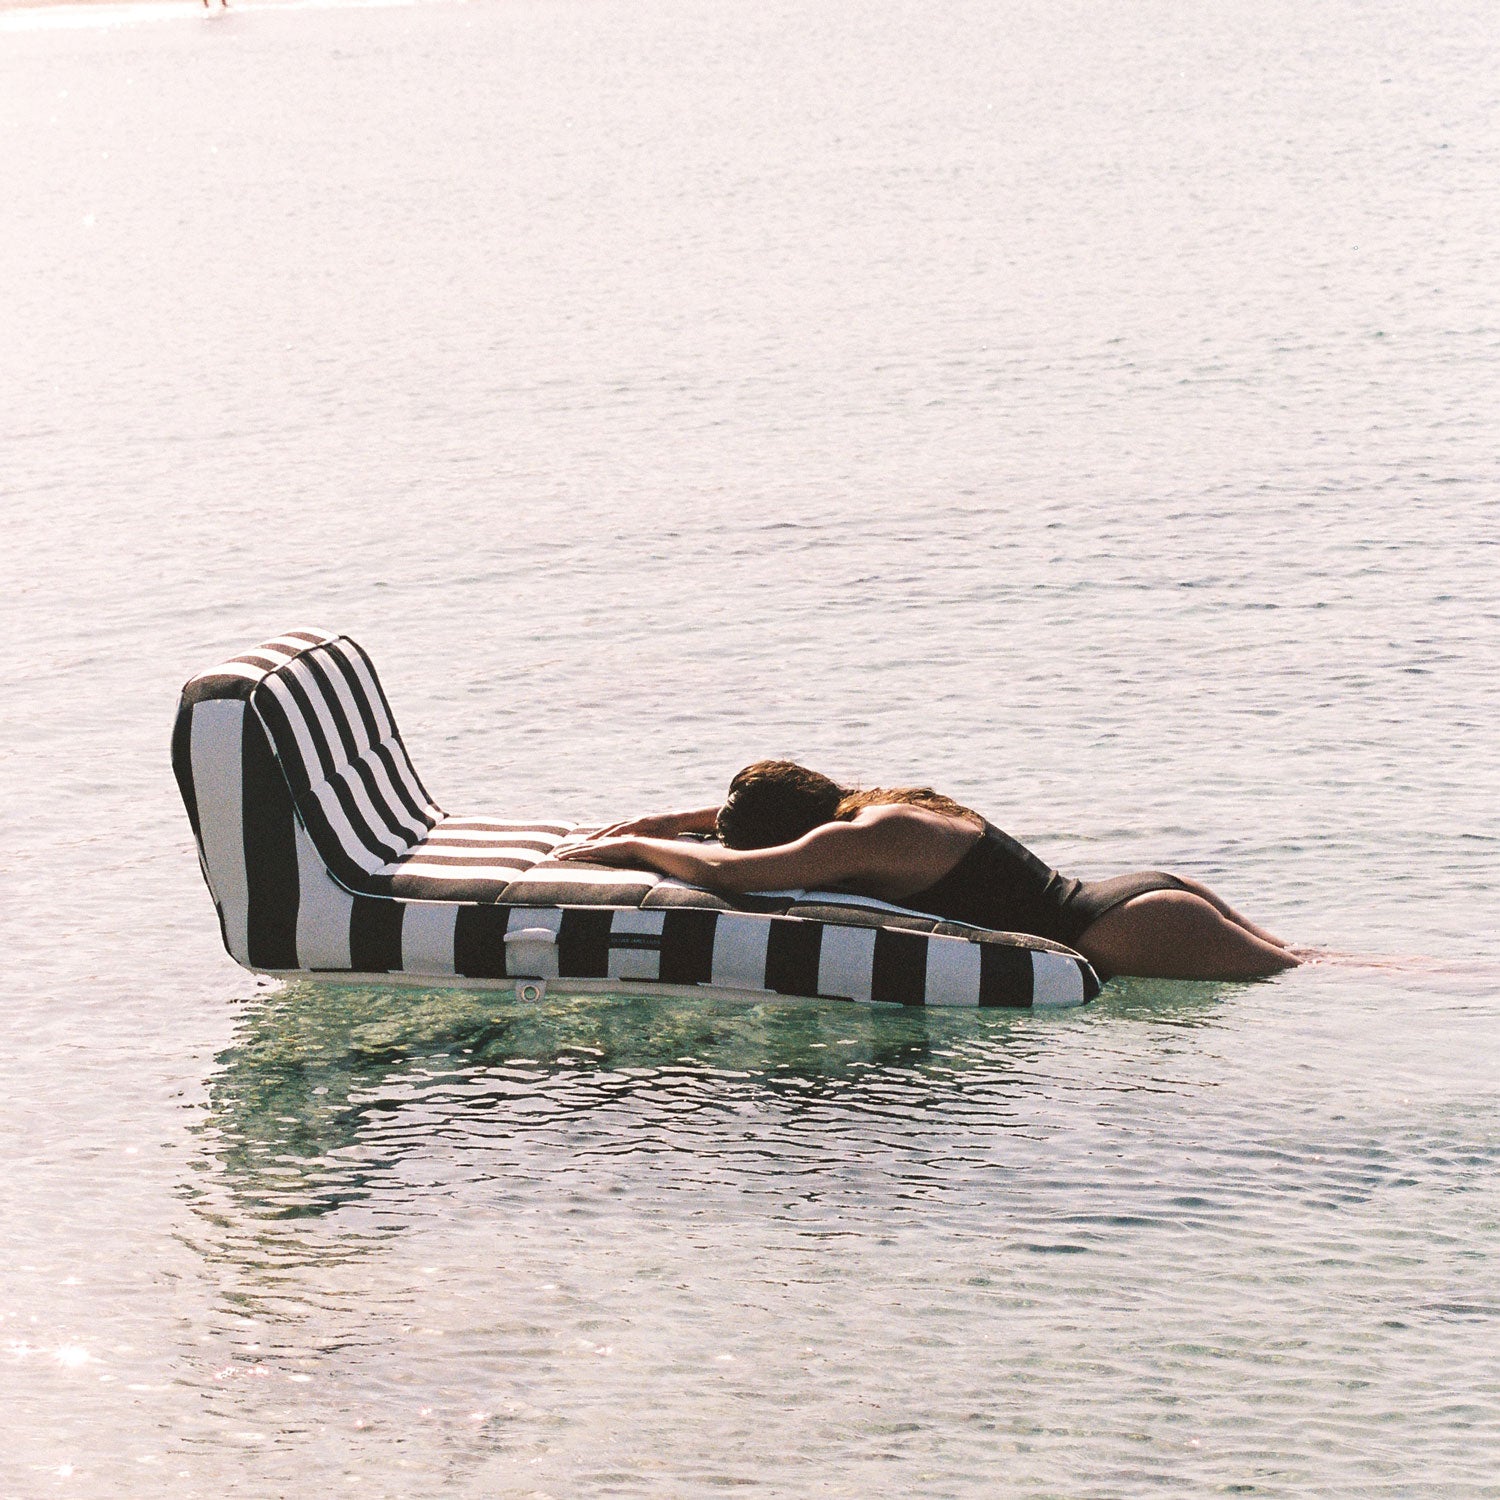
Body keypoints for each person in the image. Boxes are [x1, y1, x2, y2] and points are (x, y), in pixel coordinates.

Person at [556, 760, 1299, 982]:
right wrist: (658, 821)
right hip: (1141, 900)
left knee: (1334, 976)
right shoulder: (881, 810)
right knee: (1314, 965)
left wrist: (637, 850)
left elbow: (739, 876)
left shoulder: (857, 838)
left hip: (1129, 931)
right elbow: (746, 837)